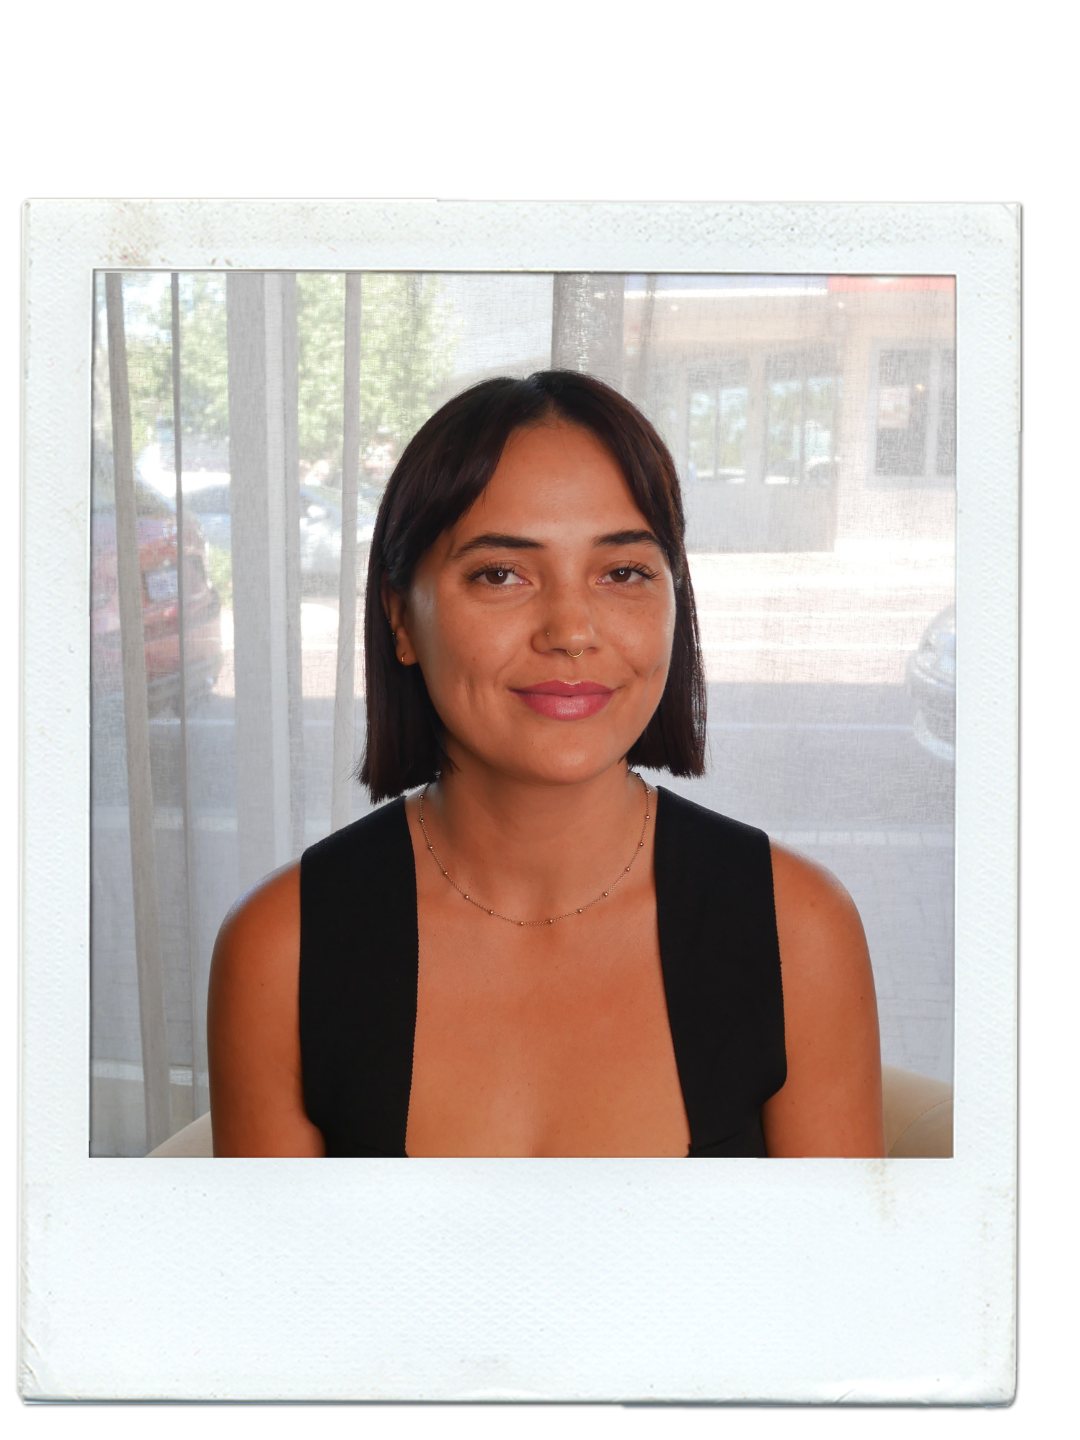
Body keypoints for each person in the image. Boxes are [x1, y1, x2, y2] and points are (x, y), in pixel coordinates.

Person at [207, 372, 885, 1158]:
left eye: (622, 572)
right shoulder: (281, 949)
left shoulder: (798, 929)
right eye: (501, 574)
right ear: (400, 619)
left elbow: (836, 1244)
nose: (570, 630)